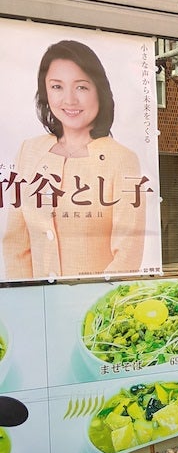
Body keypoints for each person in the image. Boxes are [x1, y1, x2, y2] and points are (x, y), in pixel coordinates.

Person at [3, 40, 147, 280]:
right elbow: (15, 244)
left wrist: (93, 308)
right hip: (38, 308)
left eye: (81, 87)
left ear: (99, 91)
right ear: (45, 92)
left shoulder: (122, 160)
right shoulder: (28, 151)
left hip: (93, 309)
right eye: (57, 86)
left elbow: (127, 255)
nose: (69, 100)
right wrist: (26, 302)